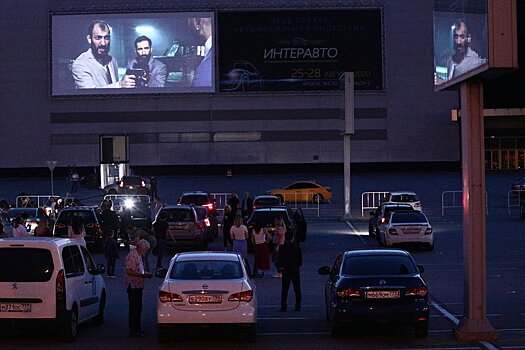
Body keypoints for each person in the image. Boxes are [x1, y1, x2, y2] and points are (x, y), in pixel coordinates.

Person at [72, 20, 135, 89]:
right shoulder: (80, 64)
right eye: (98, 38)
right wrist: (119, 85)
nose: (103, 43)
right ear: (89, 39)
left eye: (106, 38)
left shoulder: (112, 61)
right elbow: (90, 94)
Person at [124, 239, 152, 337]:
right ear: (140, 247)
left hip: (138, 285)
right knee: (134, 308)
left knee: (138, 307)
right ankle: (134, 329)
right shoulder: (133, 255)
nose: (145, 251)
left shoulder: (139, 255)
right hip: (133, 285)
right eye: (145, 249)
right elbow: (129, 270)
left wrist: (144, 274)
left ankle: (137, 328)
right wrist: (142, 275)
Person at [276, 230, 302, 312]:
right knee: (297, 288)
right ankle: (298, 305)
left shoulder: (282, 248)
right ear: (292, 238)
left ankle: (283, 306)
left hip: (286, 270)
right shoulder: (297, 248)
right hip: (295, 269)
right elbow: (300, 261)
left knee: (285, 289)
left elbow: (279, 259)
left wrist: (281, 267)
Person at [186, 17, 213, 87]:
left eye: (189, 21)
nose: (188, 25)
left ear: (198, 22)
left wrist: (191, 79)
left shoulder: (205, 68)